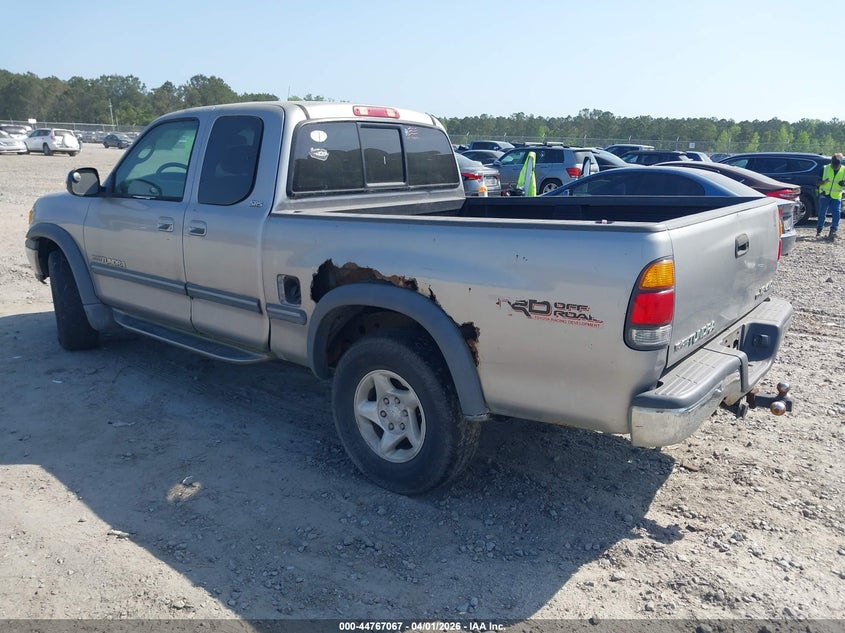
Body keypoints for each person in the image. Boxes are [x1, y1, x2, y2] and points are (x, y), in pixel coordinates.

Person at [816, 153, 845, 240]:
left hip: (836, 196)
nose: (834, 167)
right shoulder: (824, 169)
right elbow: (817, 182)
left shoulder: (844, 170)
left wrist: (843, 184)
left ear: (840, 164)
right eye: (833, 165)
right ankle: (819, 230)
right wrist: (823, 182)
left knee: (836, 213)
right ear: (831, 162)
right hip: (824, 194)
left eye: (836, 165)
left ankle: (833, 231)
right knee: (822, 213)